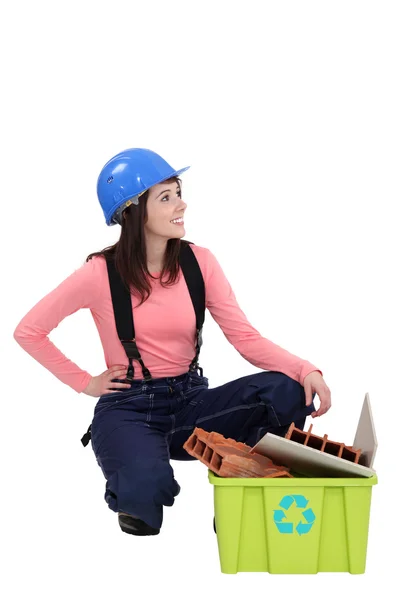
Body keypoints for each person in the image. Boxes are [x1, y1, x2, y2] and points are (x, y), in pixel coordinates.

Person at [13, 148, 331, 537]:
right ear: (131, 211)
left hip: (191, 403)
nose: (182, 204)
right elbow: (28, 331)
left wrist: (306, 369)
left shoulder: (200, 262)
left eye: (178, 192)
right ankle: (136, 468)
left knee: (286, 390)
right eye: (166, 197)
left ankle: (246, 492)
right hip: (129, 407)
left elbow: (245, 338)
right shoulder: (99, 273)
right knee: (146, 500)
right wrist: (85, 383)